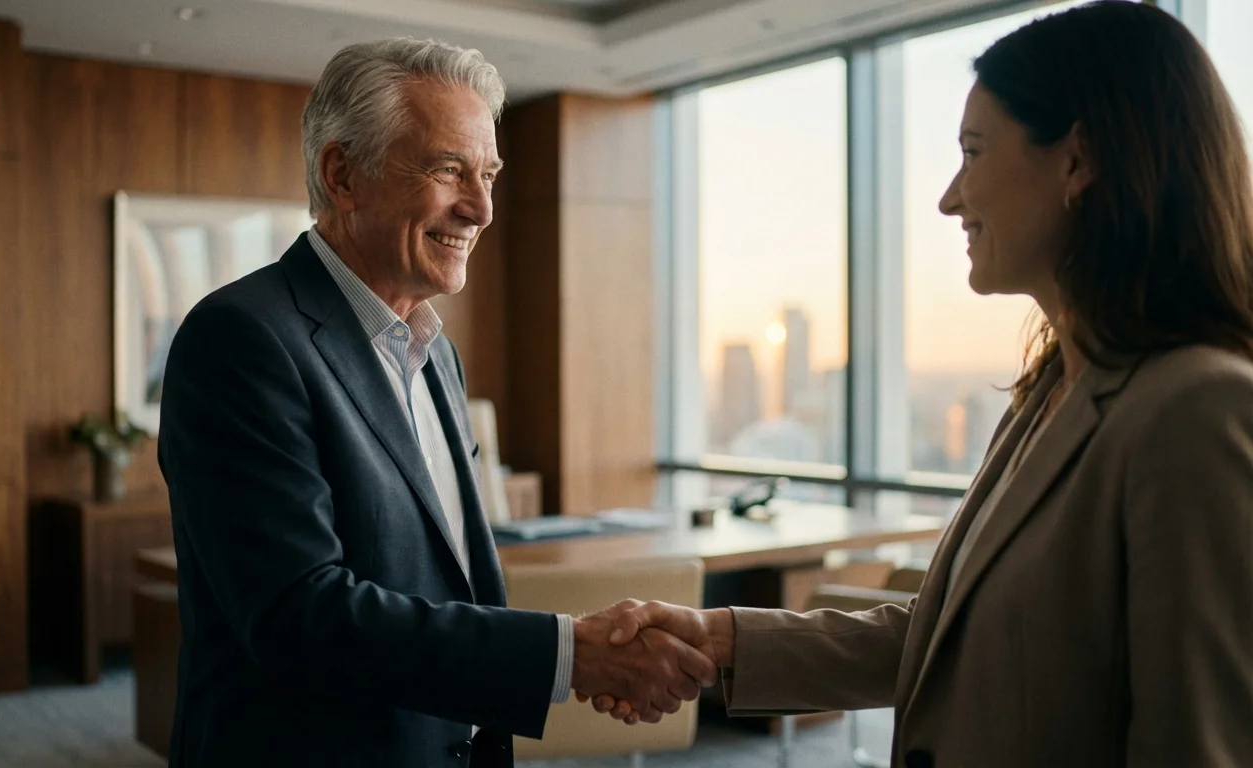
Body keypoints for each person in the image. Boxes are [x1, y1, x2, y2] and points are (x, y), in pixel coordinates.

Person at [591, 3, 1253, 766]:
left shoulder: (1196, 410)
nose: (950, 197)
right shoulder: (1049, 392)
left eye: (973, 152)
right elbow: (950, 636)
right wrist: (720, 639)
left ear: (1078, 161)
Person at [157, 38, 714, 768]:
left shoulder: (435, 351)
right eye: (449, 169)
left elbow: (450, 581)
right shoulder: (240, 338)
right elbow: (299, 616)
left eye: (489, 174)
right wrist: (570, 655)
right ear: (341, 174)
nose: (481, 208)